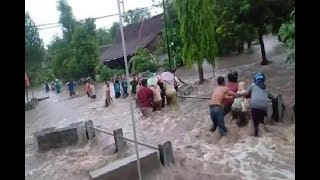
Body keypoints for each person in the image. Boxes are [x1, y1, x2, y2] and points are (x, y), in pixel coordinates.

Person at [243, 72, 275, 137]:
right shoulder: (266, 88)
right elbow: (272, 97)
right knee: (261, 122)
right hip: (264, 108)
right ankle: (265, 137)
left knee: (255, 125)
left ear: (255, 79)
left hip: (254, 107)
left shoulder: (253, 85)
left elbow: (247, 94)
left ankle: (256, 138)